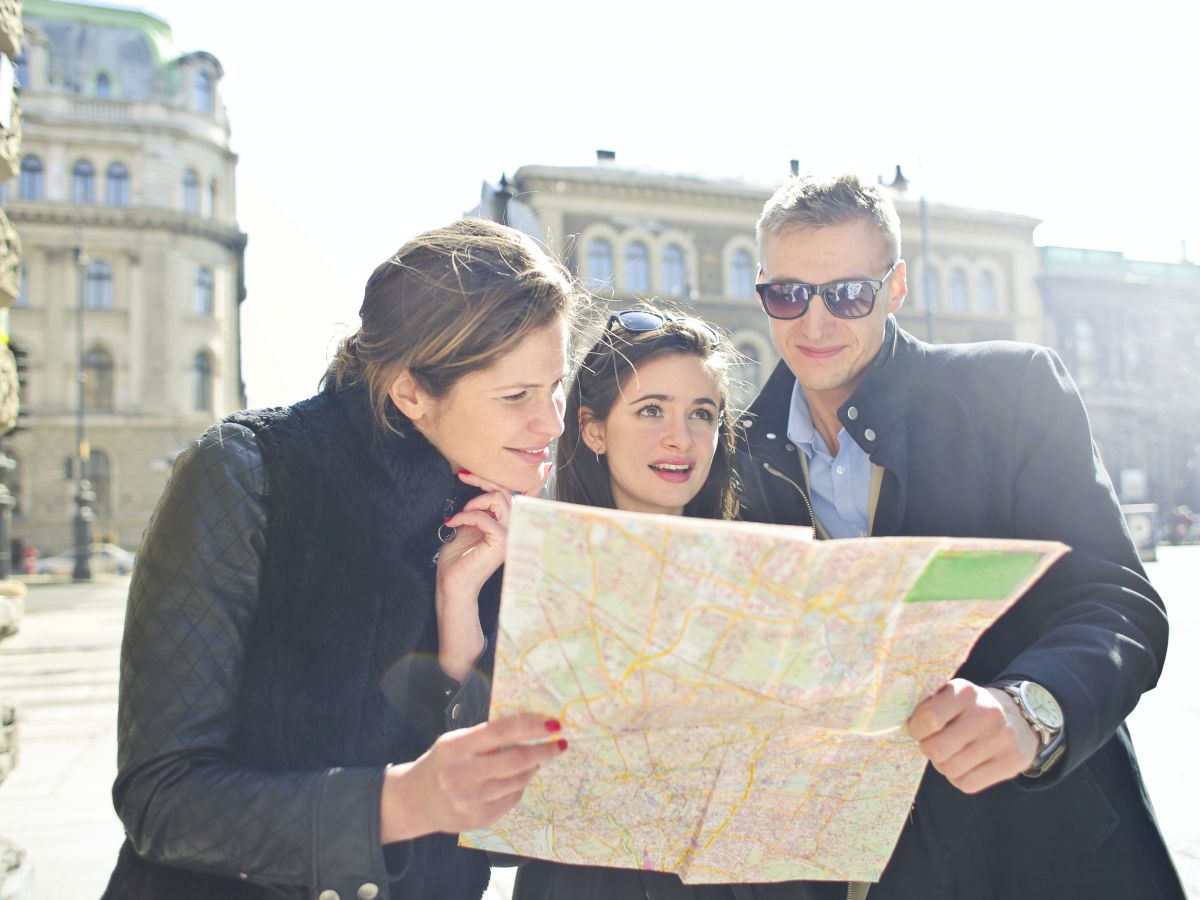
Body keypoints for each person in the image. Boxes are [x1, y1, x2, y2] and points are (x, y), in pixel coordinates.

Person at [102, 218, 582, 900]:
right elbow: (161, 800)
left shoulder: (499, 512)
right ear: (411, 391)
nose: (553, 422)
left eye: (556, 385)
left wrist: (458, 629)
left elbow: (497, 830)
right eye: (517, 396)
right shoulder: (250, 473)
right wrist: (401, 802)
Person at [735, 173, 1185, 899]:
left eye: (848, 294)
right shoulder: (732, 459)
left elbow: (1119, 604)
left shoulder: (1011, 391)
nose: (814, 324)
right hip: (853, 873)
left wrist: (1029, 708)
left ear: (897, 286)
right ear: (760, 287)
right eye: (788, 294)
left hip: (1044, 855)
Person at [512, 304, 741, 899]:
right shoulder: (539, 573)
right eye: (651, 410)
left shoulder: (764, 581)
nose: (680, 437)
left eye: (702, 414)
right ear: (591, 429)